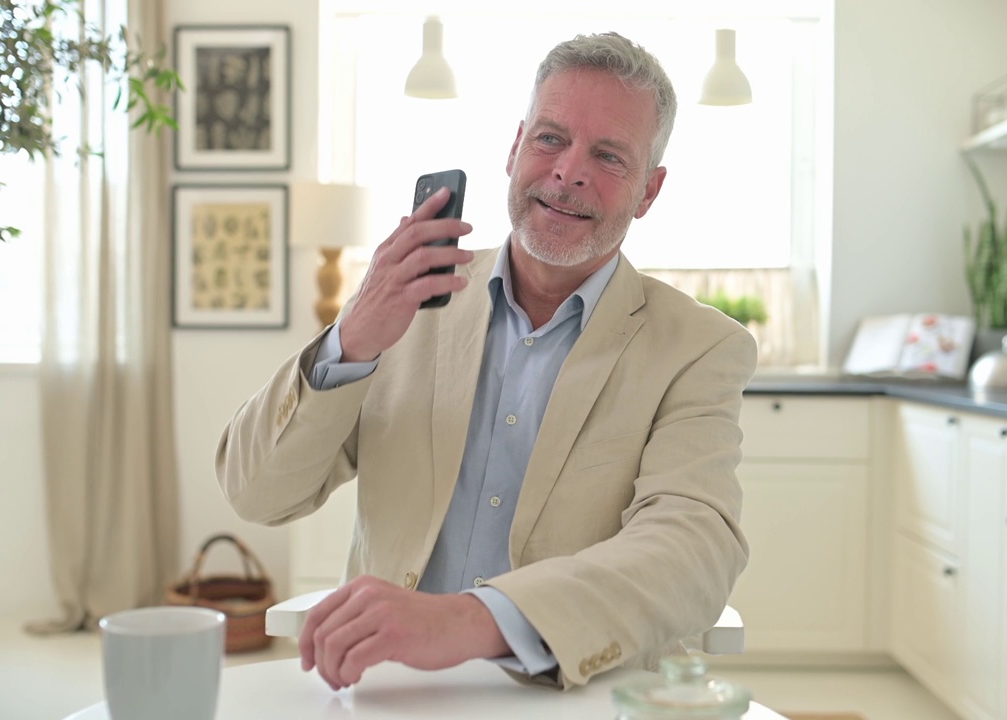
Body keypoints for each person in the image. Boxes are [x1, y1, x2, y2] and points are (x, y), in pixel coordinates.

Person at [215, 31, 757, 690]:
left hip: (573, 695)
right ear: (514, 148)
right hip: (391, 693)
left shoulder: (699, 348)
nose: (569, 171)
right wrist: (352, 339)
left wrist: (473, 621)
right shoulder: (404, 300)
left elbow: (693, 548)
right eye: (551, 139)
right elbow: (256, 493)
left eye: (610, 155)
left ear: (649, 190)